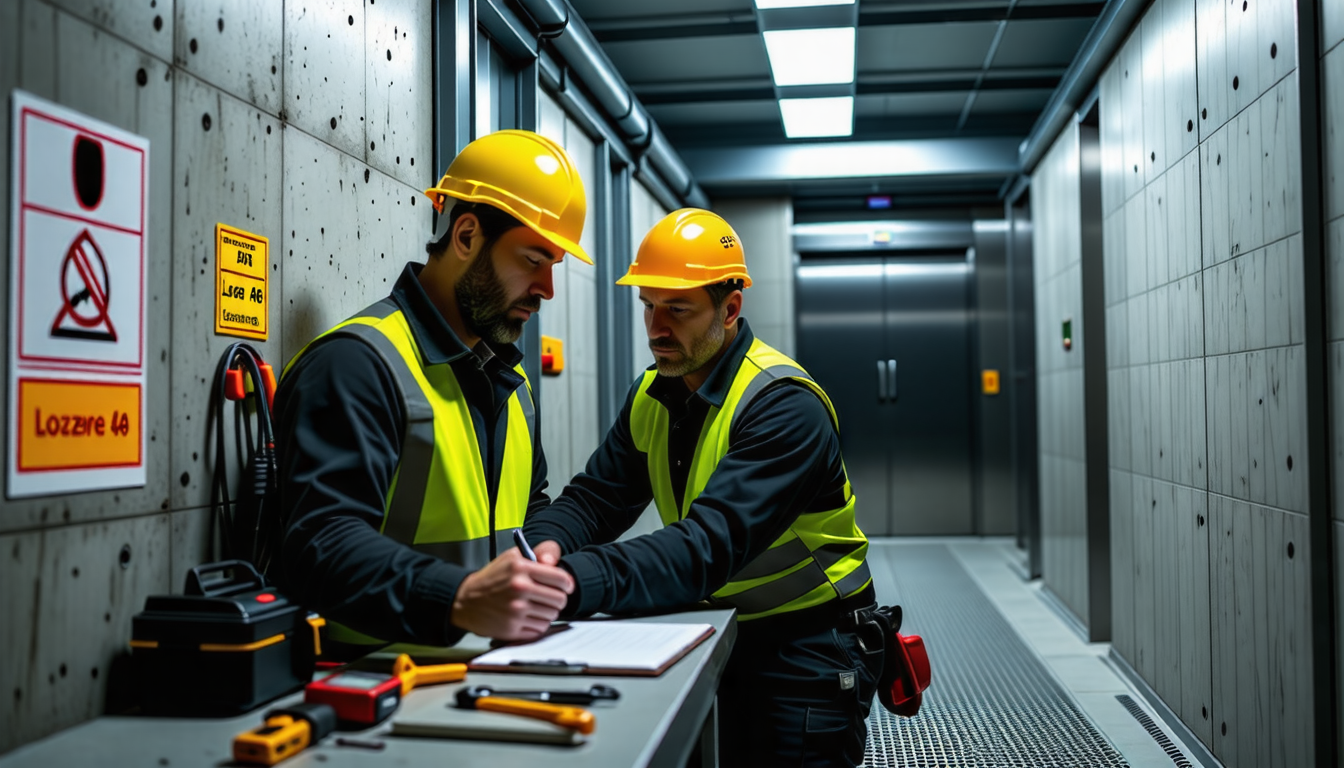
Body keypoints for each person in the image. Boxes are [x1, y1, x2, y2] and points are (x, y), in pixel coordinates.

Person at [522, 208, 885, 767]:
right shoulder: (653, 393)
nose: (656, 328)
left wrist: (567, 583)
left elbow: (707, 546)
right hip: (719, 630)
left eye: (678, 309)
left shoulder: (785, 405)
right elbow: (595, 500)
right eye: (648, 306)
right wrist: (538, 550)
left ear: (730, 308)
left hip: (807, 650)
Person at [272, 130, 586, 657]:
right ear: (466, 236)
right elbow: (320, 543)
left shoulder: (512, 384)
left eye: (554, 266)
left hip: (490, 670)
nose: (547, 289)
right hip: (373, 683)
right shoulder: (357, 364)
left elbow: (527, 511)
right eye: (534, 260)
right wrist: (457, 598)